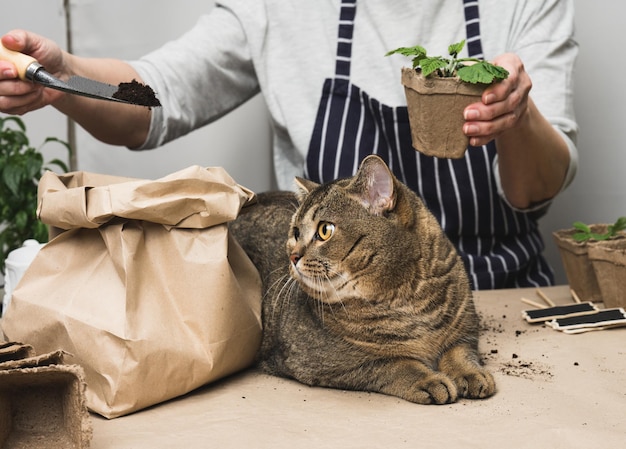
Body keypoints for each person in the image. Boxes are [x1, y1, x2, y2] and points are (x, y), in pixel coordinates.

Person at [0, 0, 578, 290]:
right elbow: (156, 100)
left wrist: (518, 117)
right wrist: (65, 77)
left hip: (497, 296)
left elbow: (538, 190)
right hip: (338, 319)